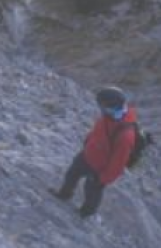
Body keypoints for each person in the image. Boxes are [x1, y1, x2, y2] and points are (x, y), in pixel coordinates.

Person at [49, 86, 138, 218]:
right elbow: (97, 131)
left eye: (102, 105)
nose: (100, 108)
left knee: (92, 191)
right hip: (87, 155)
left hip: (100, 168)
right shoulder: (109, 115)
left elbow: (118, 164)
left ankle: (85, 213)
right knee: (71, 175)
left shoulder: (126, 135)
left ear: (111, 106)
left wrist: (103, 179)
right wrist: (87, 144)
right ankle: (64, 194)